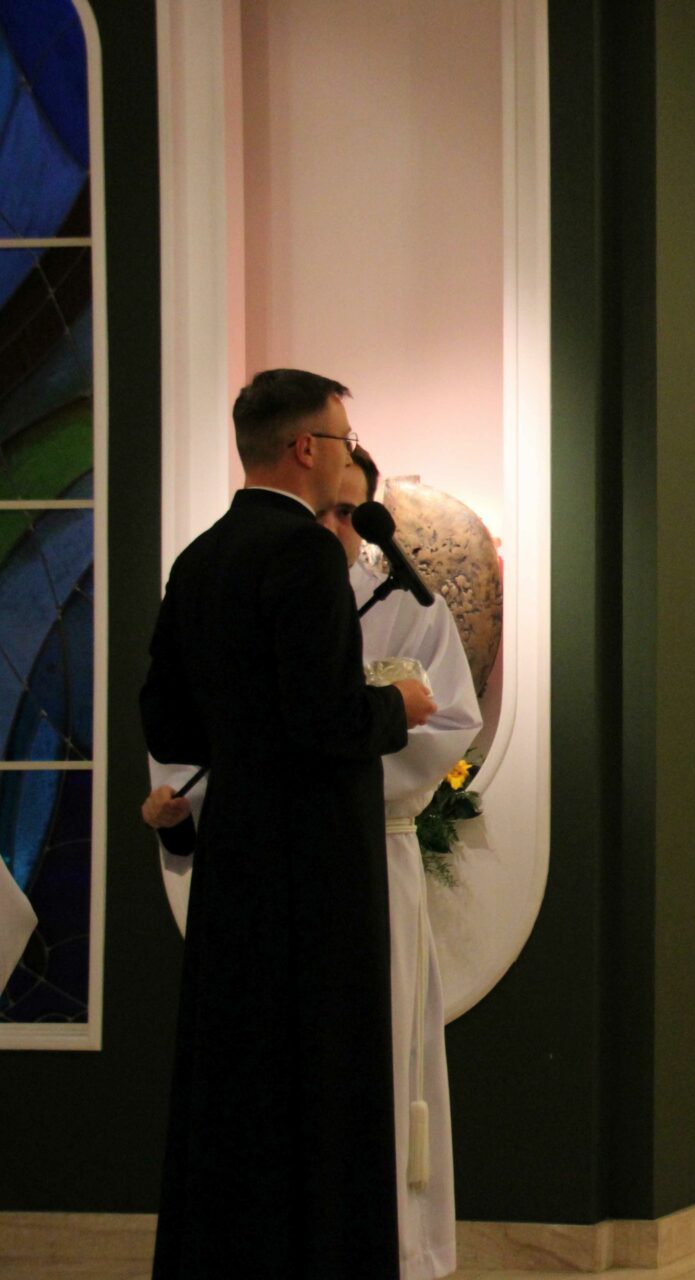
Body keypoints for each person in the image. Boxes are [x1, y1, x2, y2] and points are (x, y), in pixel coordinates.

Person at [144, 445, 477, 1279]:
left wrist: (338, 767)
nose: (334, 529)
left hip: (369, 852)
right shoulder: (260, 583)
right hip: (271, 855)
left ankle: (389, 1245)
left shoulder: (406, 605)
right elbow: (212, 733)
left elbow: (449, 723)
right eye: (325, 512)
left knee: (365, 1071)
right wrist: (187, 808)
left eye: (349, 516)